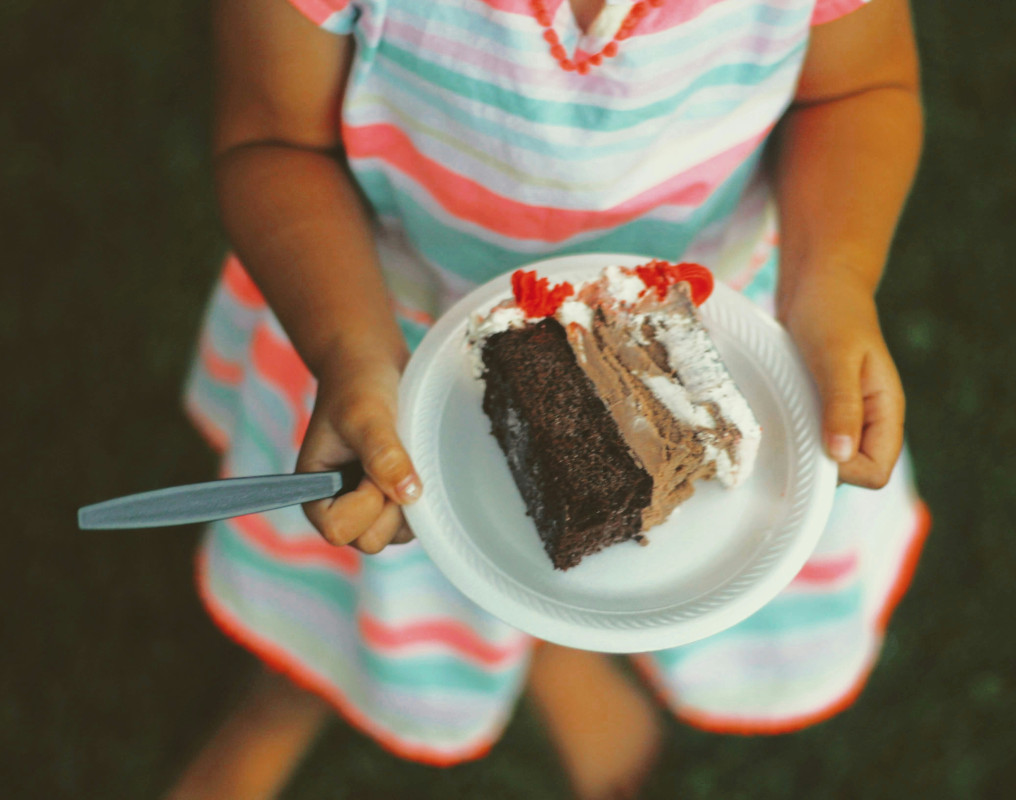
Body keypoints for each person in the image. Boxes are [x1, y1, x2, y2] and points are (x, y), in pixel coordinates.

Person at [169, 0, 929, 797]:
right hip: (384, 325)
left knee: (592, 536)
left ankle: (557, 645)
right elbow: (276, 141)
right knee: (361, 576)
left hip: (712, 327)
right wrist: (349, 348)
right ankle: (298, 685)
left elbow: (859, 88)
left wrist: (833, 285)